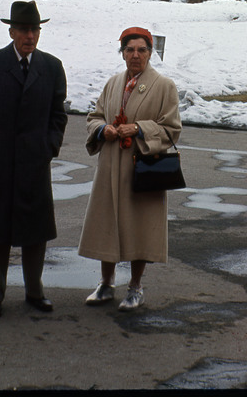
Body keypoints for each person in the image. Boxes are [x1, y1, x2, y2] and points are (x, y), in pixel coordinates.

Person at [0, 0, 67, 318]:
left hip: (34, 163)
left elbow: (57, 115)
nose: (29, 36)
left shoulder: (51, 67)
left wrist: (49, 146)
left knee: (36, 231)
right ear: (11, 31)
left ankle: (35, 291)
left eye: (34, 29)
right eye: (23, 29)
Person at [78, 26, 182, 311]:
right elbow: (94, 116)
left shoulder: (164, 86)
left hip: (143, 168)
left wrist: (138, 128)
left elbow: (172, 129)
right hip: (111, 165)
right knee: (107, 223)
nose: (135, 55)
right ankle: (106, 283)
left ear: (150, 53)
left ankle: (135, 288)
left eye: (141, 49)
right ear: (122, 53)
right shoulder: (113, 83)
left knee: (141, 228)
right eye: (129, 49)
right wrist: (103, 130)